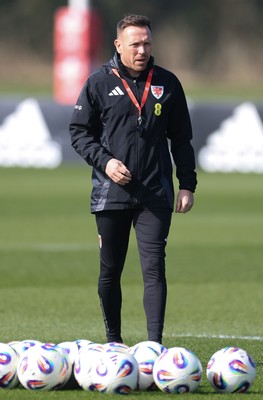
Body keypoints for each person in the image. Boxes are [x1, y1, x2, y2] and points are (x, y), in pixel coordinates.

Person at [69, 14, 197, 344]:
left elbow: (181, 139)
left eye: (147, 43)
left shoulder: (168, 83)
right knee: (110, 270)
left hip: (155, 194)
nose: (142, 50)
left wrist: (187, 184)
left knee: (154, 269)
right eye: (135, 44)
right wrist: (106, 162)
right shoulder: (98, 82)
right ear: (118, 45)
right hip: (111, 193)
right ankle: (114, 342)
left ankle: (154, 345)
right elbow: (79, 133)